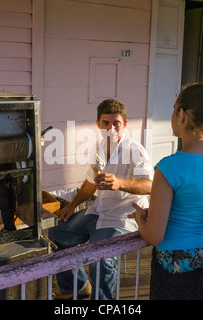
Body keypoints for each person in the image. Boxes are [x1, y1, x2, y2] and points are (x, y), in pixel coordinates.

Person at [129, 83, 203, 300]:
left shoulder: (169, 168)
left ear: (181, 114)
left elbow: (154, 236)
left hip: (179, 264)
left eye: (173, 108)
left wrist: (141, 218)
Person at [49, 98, 153, 300]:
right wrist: (72, 205)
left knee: (101, 257)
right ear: (98, 124)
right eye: (106, 123)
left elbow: (149, 185)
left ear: (124, 123)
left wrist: (119, 183)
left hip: (124, 215)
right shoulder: (98, 148)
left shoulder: (135, 150)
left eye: (116, 123)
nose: (111, 128)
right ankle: (76, 288)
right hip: (99, 210)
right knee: (57, 236)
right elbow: (90, 183)